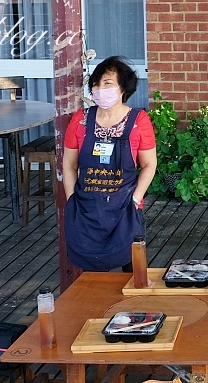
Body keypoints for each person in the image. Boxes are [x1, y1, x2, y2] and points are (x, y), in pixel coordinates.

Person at [63, 56, 157, 271]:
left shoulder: (138, 121)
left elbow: (149, 164)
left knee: (133, 271)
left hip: (126, 208)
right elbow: (69, 165)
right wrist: (72, 201)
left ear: (123, 88)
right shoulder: (81, 119)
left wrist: (135, 199)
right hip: (86, 208)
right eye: (95, 84)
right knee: (91, 276)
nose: (99, 89)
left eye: (107, 83)